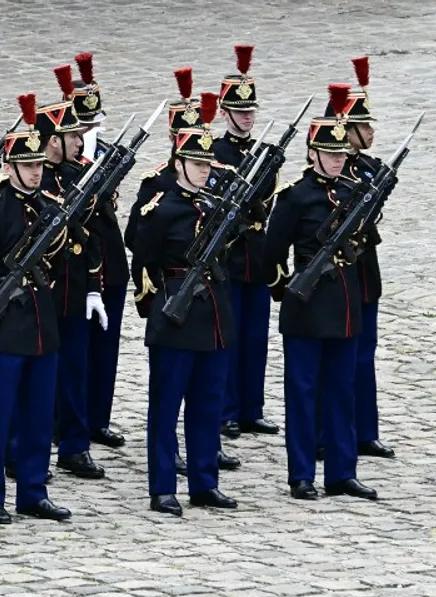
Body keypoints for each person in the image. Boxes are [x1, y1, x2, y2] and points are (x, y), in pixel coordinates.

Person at [0, 93, 73, 524]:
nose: (35, 172)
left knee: (39, 415)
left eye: (39, 165)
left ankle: (33, 490)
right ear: (8, 168)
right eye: (27, 166)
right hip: (3, 327)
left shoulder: (49, 209)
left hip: (41, 324)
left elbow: (60, 263)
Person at [264, 85, 376, 503]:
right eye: (330, 155)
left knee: (342, 391)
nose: (337, 161)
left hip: (344, 306)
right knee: (303, 391)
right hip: (307, 310)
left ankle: (342, 471)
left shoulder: (351, 192)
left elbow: (366, 245)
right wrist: (288, 291)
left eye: (341, 156)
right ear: (312, 153)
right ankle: (302, 474)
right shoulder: (295, 198)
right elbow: (271, 255)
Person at [126, 68, 240, 475]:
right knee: (168, 398)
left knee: (208, 398)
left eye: (207, 161)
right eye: (196, 161)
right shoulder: (160, 204)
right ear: (178, 160)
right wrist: (153, 305)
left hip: (211, 309)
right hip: (175, 304)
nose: (205, 168)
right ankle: (162, 478)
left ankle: (205, 477)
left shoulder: (214, 201)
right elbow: (141, 257)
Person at [36, 73, 107, 481]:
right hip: (45, 290)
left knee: (76, 369)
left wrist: (94, 288)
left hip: (75, 290)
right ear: (51, 141)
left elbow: (91, 236)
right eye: (71, 136)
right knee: (40, 374)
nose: (80, 142)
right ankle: (31, 444)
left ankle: (74, 446)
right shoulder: (34, 180)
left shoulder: (77, 175)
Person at [215, 46, 280, 440]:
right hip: (230, 256)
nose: (247, 117)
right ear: (225, 113)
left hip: (258, 256)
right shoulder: (216, 153)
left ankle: (251, 407)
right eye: (240, 112)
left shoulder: (261, 153)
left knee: (256, 337)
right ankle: (226, 409)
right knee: (230, 336)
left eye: (251, 111)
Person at [338, 57, 395, 459]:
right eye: (365, 125)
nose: (372, 131)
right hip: (338, 273)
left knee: (365, 351)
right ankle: (333, 431)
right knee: (339, 356)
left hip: (365, 271)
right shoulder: (336, 172)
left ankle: (365, 428)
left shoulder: (372, 169)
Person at [71, 52, 129, 450]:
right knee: (76, 350)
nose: (91, 128)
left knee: (105, 346)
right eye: (83, 122)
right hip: (76, 259)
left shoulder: (105, 151)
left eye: (94, 121)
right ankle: (70, 419)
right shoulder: (65, 157)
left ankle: (99, 416)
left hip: (109, 256)